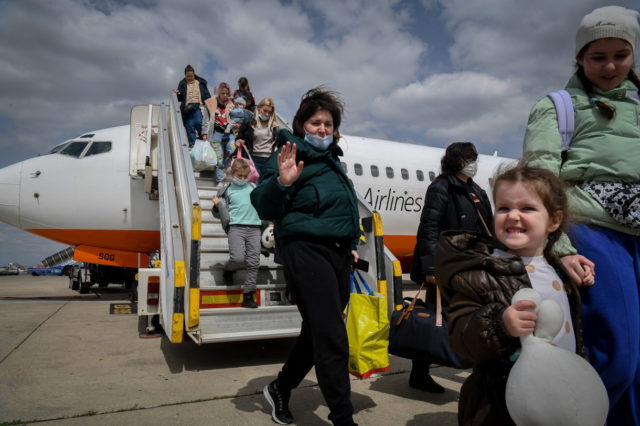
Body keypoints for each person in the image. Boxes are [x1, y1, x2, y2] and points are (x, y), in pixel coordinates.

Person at [522, 6, 640, 424]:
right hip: (593, 232)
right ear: (579, 59)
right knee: (618, 358)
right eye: (597, 56)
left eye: (620, 55)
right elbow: (540, 179)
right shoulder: (557, 107)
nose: (609, 66)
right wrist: (562, 245)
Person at [435, 164, 588, 425]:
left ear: (554, 220)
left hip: (558, 396)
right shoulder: (481, 271)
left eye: (527, 208)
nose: (513, 216)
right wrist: (499, 325)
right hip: (501, 404)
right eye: (504, 208)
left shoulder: (559, 271)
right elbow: (461, 338)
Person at [251, 87, 360, 426]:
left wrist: (352, 241)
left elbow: (345, 210)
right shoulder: (288, 155)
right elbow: (263, 205)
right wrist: (282, 183)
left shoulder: (333, 163)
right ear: (301, 124)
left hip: (339, 255)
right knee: (332, 337)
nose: (322, 129)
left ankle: (280, 388)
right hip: (304, 250)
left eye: (328, 124)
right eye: (316, 123)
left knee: (316, 334)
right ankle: (343, 419)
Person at [408, 142, 493, 394]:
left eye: (474, 158)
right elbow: (429, 228)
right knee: (434, 319)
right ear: (455, 160)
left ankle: (477, 373)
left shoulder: (476, 190)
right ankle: (419, 374)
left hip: (471, 265)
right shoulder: (441, 187)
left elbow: (486, 227)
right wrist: (431, 267)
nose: (473, 163)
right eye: (468, 158)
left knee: (475, 320)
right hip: (446, 265)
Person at [212, 158, 262, 309]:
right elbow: (218, 213)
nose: (242, 179)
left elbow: (261, 204)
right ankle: (229, 270)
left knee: (253, 263)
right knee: (238, 258)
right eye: (239, 175)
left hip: (255, 227)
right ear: (232, 173)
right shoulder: (226, 190)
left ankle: (248, 295)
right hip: (236, 227)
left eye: (244, 176)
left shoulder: (253, 187)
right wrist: (218, 205)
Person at [233, 97, 279, 175]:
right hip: (253, 159)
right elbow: (239, 137)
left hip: (270, 160)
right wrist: (238, 141)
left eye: (269, 112)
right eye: (265, 111)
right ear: (258, 108)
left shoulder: (274, 125)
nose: (267, 114)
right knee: (254, 184)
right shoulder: (249, 122)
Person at [203, 82, 234, 185]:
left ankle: (225, 169)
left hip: (229, 134)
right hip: (216, 134)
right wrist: (204, 134)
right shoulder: (211, 103)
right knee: (219, 157)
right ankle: (220, 180)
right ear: (219, 93)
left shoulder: (231, 105)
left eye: (227, 94)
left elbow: (236, 119)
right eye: (223, 93)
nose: (225, 95)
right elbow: (206, 120)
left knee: (233, 152)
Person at [174, 64, 211, 148]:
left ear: (194, 74)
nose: (190, 78)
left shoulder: (200, 82)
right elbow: (179, 98)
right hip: (187, 108)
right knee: (189, 126)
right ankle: (192, 145)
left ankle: (203, 143)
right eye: (188, 76)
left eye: (191, 76)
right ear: (185, 76)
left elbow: (207, 94)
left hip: (198, 106)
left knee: (199, 123)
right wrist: (178, 94)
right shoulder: (182, 83)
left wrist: (209, 103)